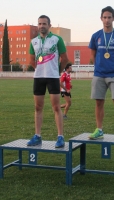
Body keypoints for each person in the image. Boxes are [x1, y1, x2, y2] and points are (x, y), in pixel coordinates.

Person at [88, 6, 114, 141]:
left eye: (109, 17)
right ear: (101, 18)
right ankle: (99, 129)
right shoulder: (96, 36)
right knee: (99, 102)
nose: (107, 20)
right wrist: (98, 67)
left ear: (113, 18)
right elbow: (93, 55)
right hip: (99, 74)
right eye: (104, 17)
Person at [27, 15, 69, 148]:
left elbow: (65, 58)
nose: (41, 26)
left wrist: (56, 71)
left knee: (56, 107)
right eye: (39, 24)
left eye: (44, 24)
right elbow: (31, 60)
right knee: (38, 107)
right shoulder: (33, 41)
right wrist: (39, 69)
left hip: (52, 77)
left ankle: (60, 136)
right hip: (38, 78)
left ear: (49, 25)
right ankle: (37, 136)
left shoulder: (57, 39)